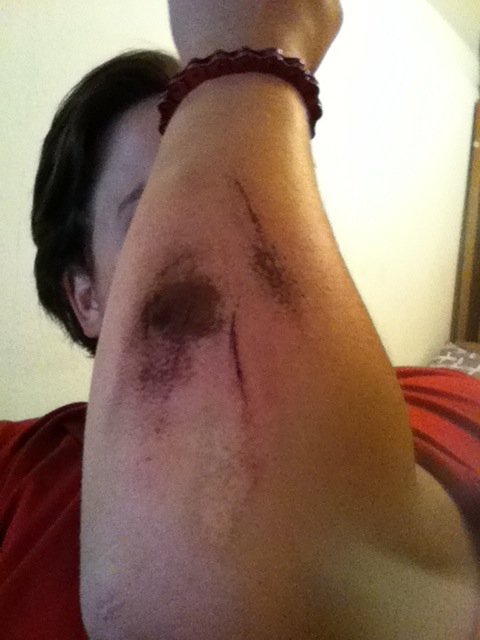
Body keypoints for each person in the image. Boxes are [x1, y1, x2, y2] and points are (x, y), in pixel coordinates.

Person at [0, 1, 479, 638]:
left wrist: (244, 59)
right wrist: (248, 48)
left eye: (257, 168)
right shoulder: (15, 465)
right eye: (158, 204)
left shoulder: (445, 400)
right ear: (85, 297)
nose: (232, 215)